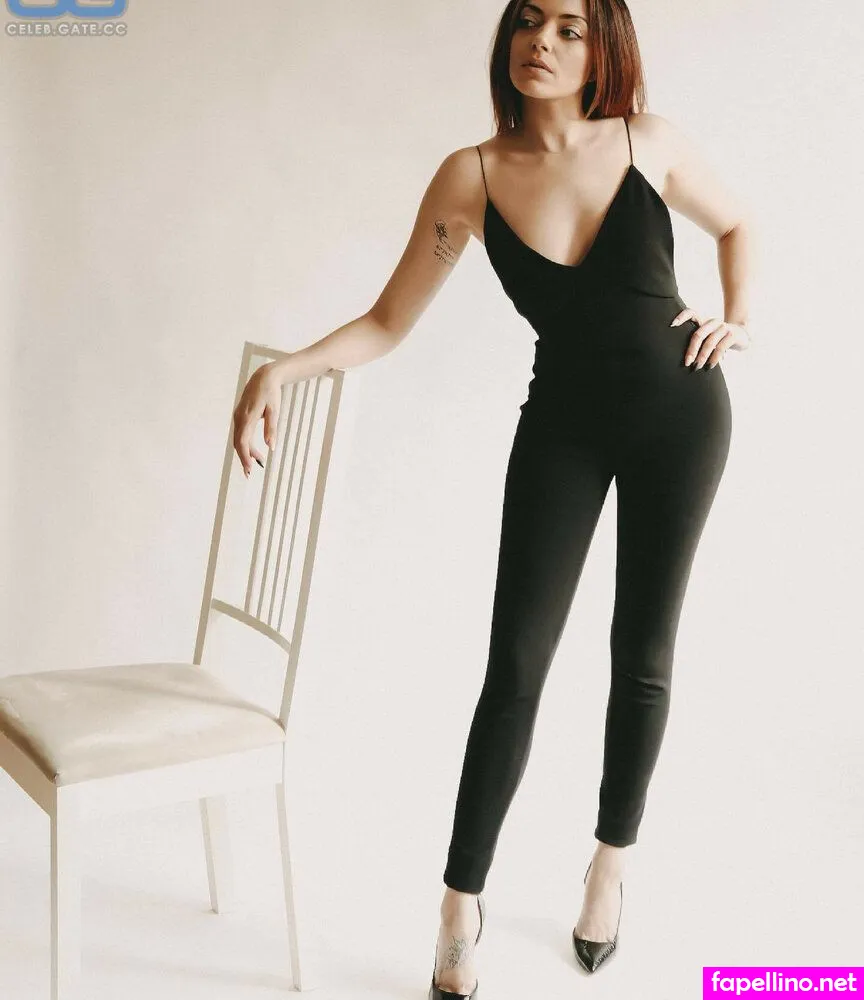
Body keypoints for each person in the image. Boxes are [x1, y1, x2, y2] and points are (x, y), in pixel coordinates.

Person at [232, 0, 754, 993]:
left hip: (683, 418)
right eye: (526, 21)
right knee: (514, 664)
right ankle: (458, 905)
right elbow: (389, 321)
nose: (539, 42)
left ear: (601, 47)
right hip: (561, 429)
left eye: (567, 28)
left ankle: (610, 866)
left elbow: (738, 222)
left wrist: (739, 316)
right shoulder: (469, 176)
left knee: (642, 654)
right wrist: (284, 369)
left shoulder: (648, 142)